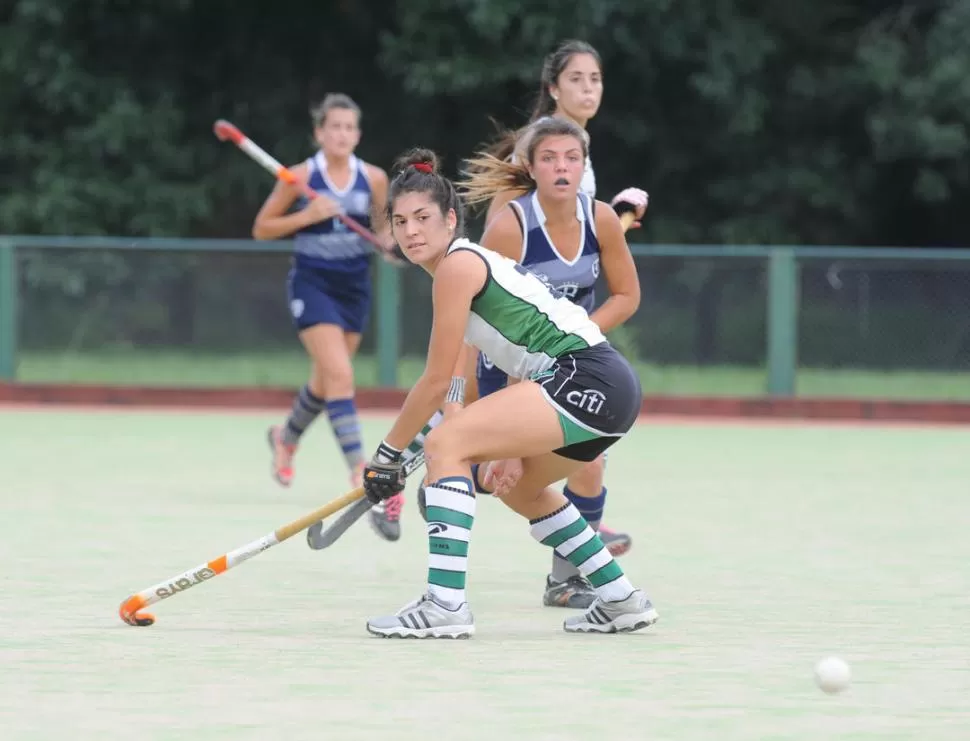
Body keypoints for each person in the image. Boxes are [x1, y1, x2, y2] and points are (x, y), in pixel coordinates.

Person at [360, 147, 658, 638]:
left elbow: (433, 379)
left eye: (422, 218)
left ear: (450, 220)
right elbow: (457, 373)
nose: (411, 230)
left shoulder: (457, 266)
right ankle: (620, 598)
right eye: (400, 221)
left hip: (584, 377)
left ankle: (445, 606)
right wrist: (481, 428)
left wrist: (388, 455)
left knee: (444, 445)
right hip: (608, 390)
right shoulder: (461, 268)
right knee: (521, 488)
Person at [448, 115, 641, 610]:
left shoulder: (599, 219)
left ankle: (568, 580)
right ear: (531, 168)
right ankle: (456, 486)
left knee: (589, 461)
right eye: (550, 158)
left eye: (572, 159)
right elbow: (476, 322)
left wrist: (576, 335)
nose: (562, 167)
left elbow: (627, 295)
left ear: (583, 166)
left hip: (569, 364)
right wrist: (461, 396)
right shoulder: (510, 227)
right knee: (498, 472)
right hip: (505, 364)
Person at [252, 93, 403, 542]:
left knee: (326, 381)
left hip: (353, 289)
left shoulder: (373, 178)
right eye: (333, 127)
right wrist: (309, 215)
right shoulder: (301, 178)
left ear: (357, 134)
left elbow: (384, 227)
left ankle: (286, 437)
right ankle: (360, 469)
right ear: (320, 132)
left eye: (349, 128)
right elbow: (262, 228)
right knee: (339, 374)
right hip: (312, 286)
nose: (341, 134)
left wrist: (390, 245)